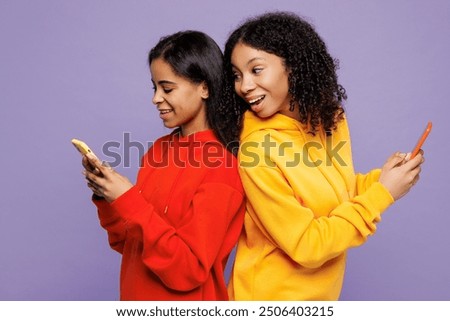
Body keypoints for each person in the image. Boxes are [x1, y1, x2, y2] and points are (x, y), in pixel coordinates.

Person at [223, 11, 424, 300]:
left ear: (292, 66)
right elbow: (307, 244)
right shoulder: (256, 149)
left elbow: (338, 192)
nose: (244, 86)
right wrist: (384, 194)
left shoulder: (331, 120)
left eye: (256, 70)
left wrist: (388, 178)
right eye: (237, 75)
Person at [81, 30, 245, 300]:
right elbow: (130, 243)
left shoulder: (222, 167)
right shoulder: (159, 150)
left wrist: (128, 199)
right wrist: (108, 197)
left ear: (204, 87)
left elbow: (188, 270)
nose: (156, 98)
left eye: (167, 88)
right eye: (154, 88)